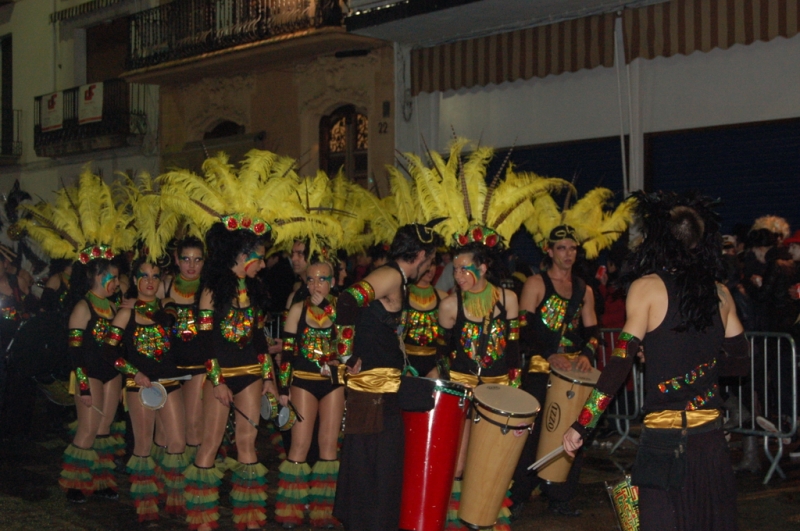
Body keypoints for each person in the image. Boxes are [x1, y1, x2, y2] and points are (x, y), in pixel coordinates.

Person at [563, 192, 750, 531]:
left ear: (659, 239)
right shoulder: (720, 292)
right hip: (709, 442)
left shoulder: (646, 288)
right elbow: (740, 362)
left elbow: (619, 364)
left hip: (664, 445)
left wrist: (583, 424)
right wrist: (700, 369)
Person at [333, 223, 442, 531]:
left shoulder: (399, 279)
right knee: (376, 470)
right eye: (431, 260)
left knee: (376, 469)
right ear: (420, 255)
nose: (431, 266)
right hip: (374, 393)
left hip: (383, 392)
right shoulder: (392, 275)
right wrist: (346, 355)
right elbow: (346, 300)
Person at [183, 219, 279, 531]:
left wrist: (267, 378)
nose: (263, 264)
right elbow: (206, 343)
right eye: (259, 257)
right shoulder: (211, 291)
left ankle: (250, 519)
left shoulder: (256, 290)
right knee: (210, 443)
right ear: (240, 255)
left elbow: (260, 339)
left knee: (247, 440)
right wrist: (217, 381)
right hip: (221, 375)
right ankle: (201, 520)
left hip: (251, 372)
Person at [509, 225, 600, 518]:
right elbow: (523, 326)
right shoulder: (536, 283)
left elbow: (593, 331)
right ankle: (519, 494)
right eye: (561, 248)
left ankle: (560, 496)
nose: (568, 254)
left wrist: (587, 353)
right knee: (530, 433)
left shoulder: (584, 289)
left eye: (572, 248)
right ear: (549, 251)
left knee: (572, 431)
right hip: (539, 368)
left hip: (572, 371)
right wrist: (548, 355)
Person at [437, 236, 521, 531]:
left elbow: (513, 353)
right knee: (459, 464)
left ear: (483, 267)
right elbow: (441, 356)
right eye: (454, 269)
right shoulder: (449, 306)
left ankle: (486, 519)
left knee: (491, 462)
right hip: (461, 391)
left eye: (464, 269)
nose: (457, 275)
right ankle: (457, 523)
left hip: (497, 393)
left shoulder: (508, 300)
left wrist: (515, 398)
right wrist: (450, 393)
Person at [104, 259, 187, 520]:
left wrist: (140, 304)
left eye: (155, 276)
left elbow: (171, 322)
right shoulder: (125, 313)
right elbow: (109, 352)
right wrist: (134, 373)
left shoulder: (166, 306)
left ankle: (172, 496)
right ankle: (145, 503)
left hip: (170, 382)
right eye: (144, 276)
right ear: (136, 279)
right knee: (143, 444)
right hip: (139, 385)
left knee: (177, 442)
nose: (150, 281)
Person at [275, 257, 344, 529]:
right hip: (303, 380)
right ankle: (291, 511)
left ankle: (323, 512)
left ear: (333, 282)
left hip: (334, 383)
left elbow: (350, 338)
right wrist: (283, 389)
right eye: (311, 279)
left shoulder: (342, 308)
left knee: (329, 447)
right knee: (300, 446)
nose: (316, 284)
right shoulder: (297, 309)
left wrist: (326, 307)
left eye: (322, 279)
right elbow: (287, 354)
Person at [59, 257, 123, 503]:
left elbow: (117, 348)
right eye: (113, 277)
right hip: (89, 374)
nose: (117, 283)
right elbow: (74, 352)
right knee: (88, 428)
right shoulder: (83, 307)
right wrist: (83, 388)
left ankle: (101, 481)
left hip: (111, 375)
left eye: (117, 278)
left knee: (105, 430)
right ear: (98, 276)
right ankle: (75, 483)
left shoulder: (114, 307)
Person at [161, 237, 206, 463]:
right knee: (165, 430)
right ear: (177, 260)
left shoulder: (210, 289)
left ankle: (196, 482)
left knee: (193, 423)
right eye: (186, 259)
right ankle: (166, 478)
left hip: (198, 365)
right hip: (167, 365)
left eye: (197, 260)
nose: (191, 265)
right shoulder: (164, 284)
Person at [403, 257, 448, 378]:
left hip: (434, 365)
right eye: (425, 264)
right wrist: (400, 366)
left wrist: (440, 368)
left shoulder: (443, 297)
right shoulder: (401, 295)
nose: (429, 269)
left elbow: (450, 339)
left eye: (432, 264)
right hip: (405, 363)